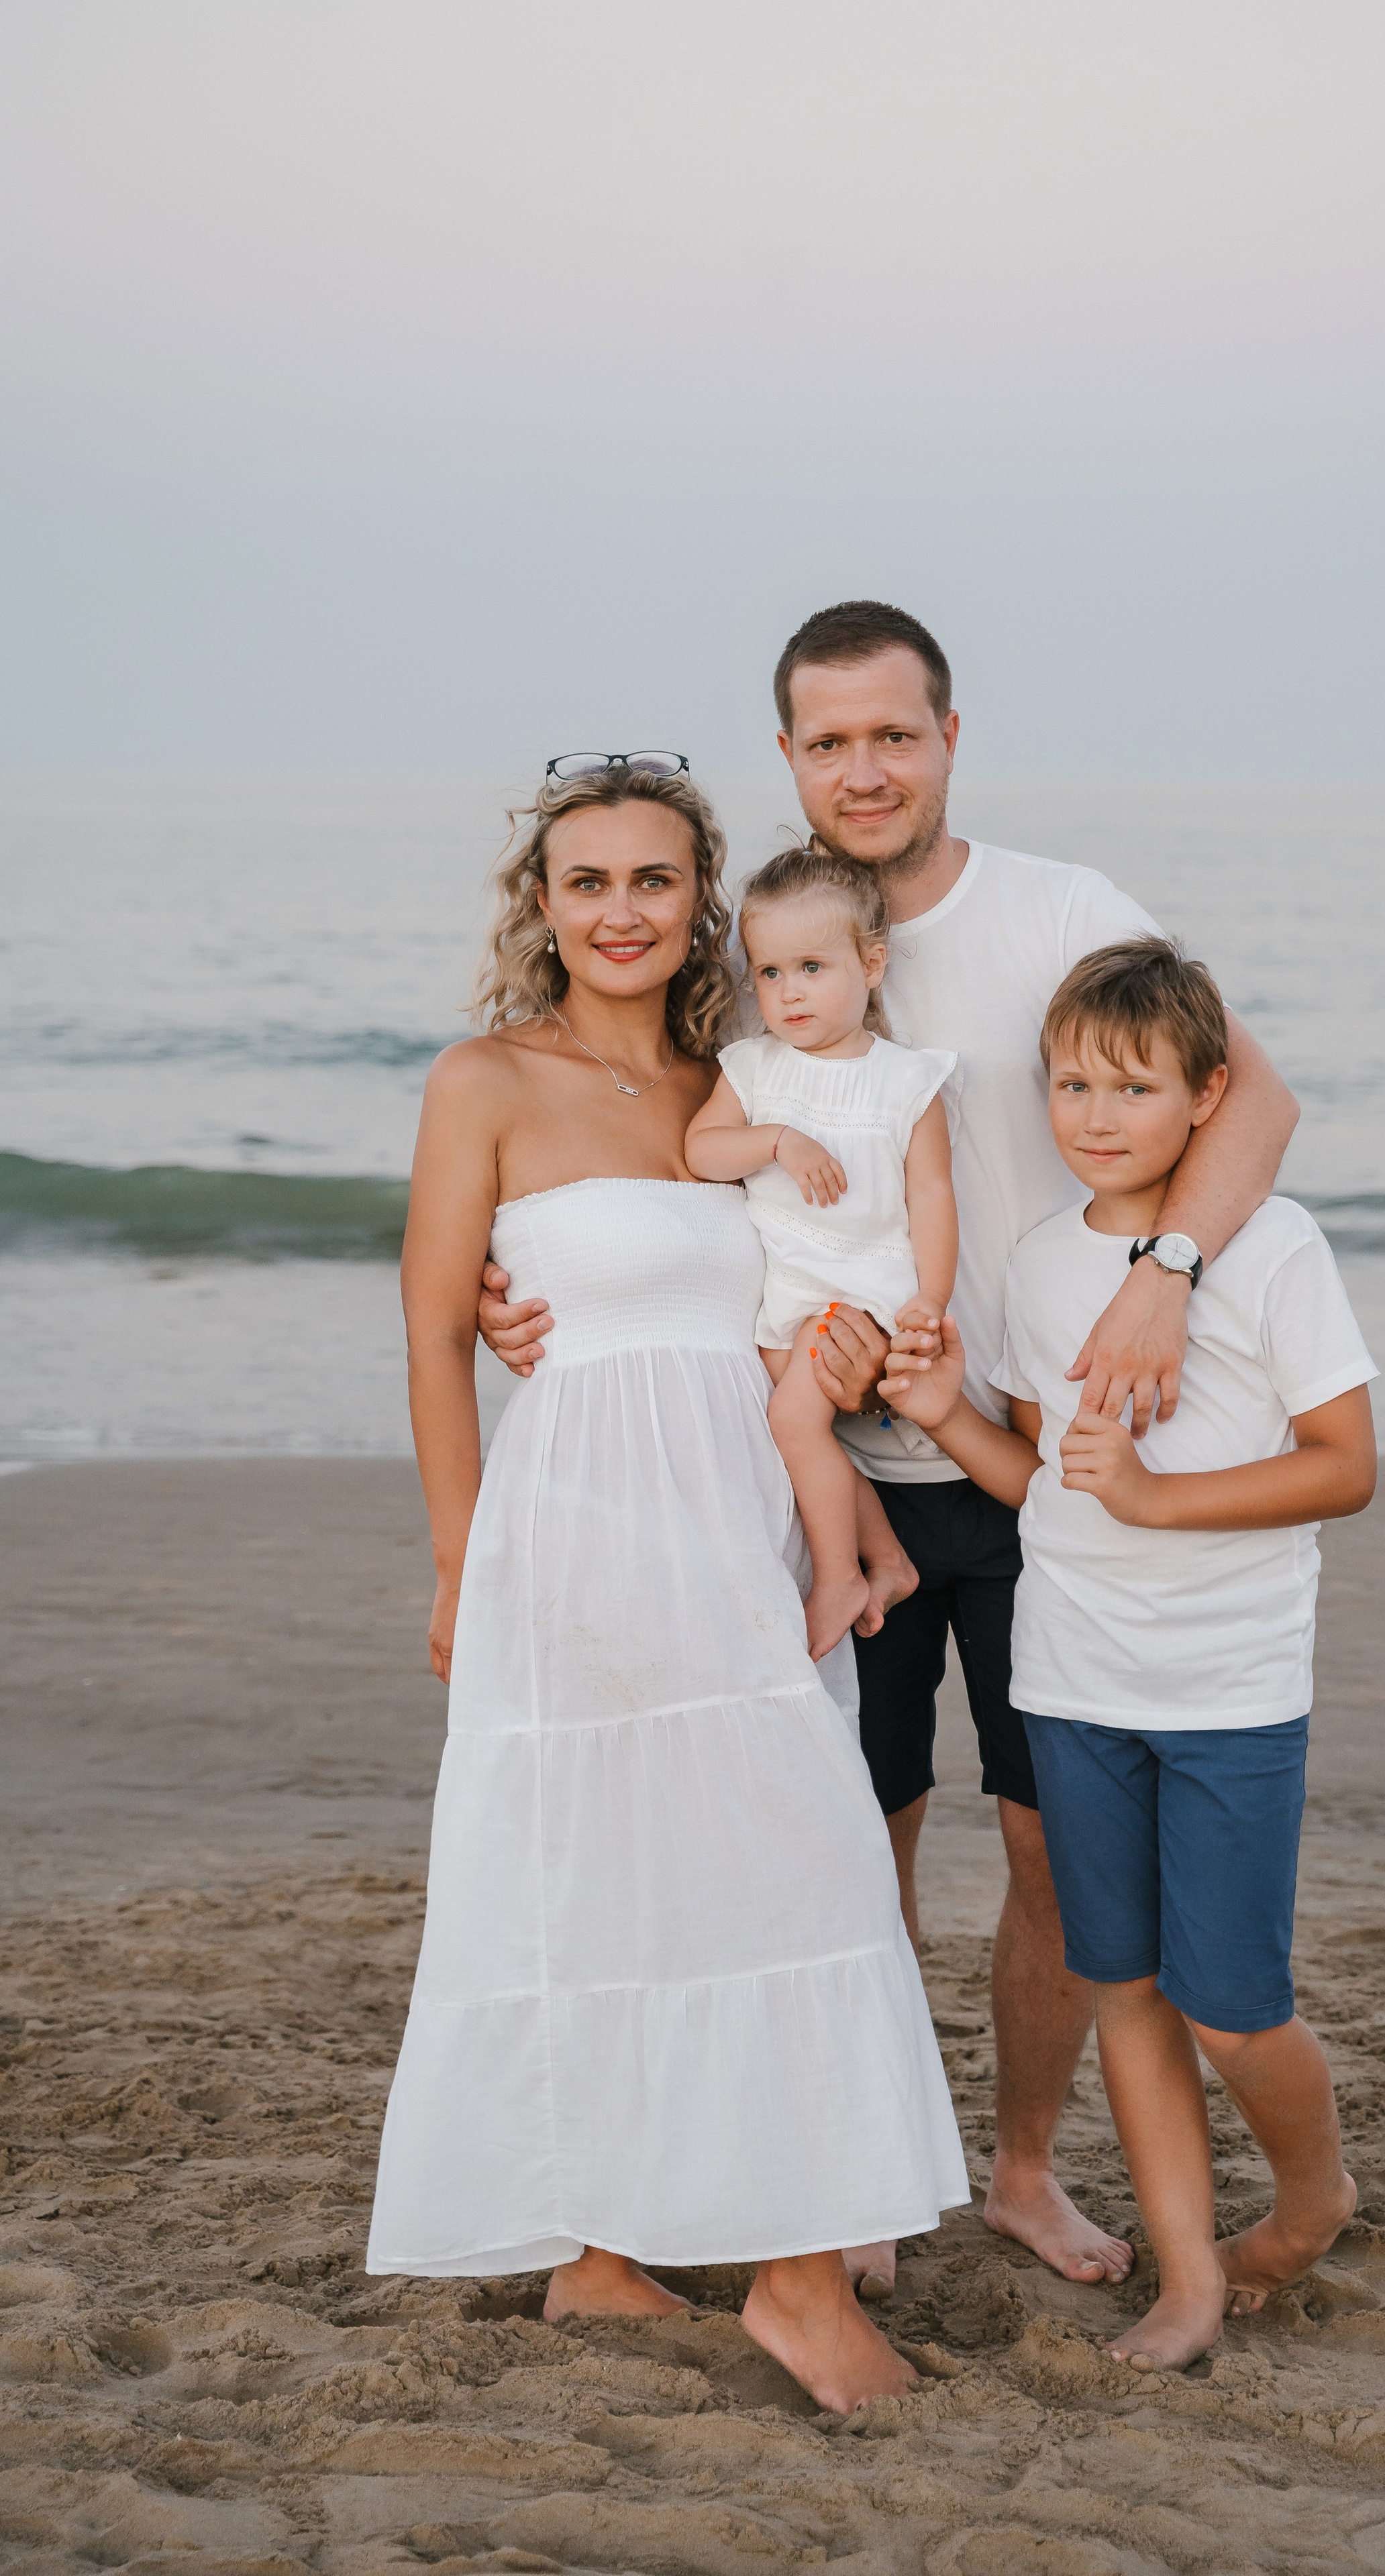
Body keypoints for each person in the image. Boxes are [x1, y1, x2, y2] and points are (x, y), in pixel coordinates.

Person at [478, 601, 1300, 2298]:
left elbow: (1254, 1102)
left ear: (946, 737)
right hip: (812, 1472)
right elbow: (640, 1138)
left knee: (1044, 1848)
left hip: (1022, 1466)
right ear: (787, 757)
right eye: (829, 742)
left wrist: (1163, 1276)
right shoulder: (752, 949)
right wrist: (526, 1285)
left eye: (893, 735)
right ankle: (848, 2175)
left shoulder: (1061, 913)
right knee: (845, 1834)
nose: (864, 770)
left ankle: (1017, 2171)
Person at [365, 757, 968, 2414]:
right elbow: (432, 1330)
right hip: (583, 1522)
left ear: (698, 899)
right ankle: (741, 2276)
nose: (619, 911)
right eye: (587, 881)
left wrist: (860, 1431)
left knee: (724, 1863)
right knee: (678, 1864)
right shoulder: (486, 1079)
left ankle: (643, 2256)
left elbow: (796, 1302)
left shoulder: (740, 1080)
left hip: (742, 1513)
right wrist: (459, 1562)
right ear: (542, 903)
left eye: (651, 879)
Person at [880, 936, 1376, 2368]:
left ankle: (1310, 2197)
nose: (1094, 1117)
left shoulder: (1272, 1248)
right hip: (1072, 1685)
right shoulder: (1042, 1265)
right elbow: (1045, 1479)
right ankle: (1188, 2278)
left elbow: (1343, 1466)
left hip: (1227, 1694)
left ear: (1208, 1096)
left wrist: (1158, 1500)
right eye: (1070, 1085)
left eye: (1133, 1088)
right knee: (1125, 1991)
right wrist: (943, 1412)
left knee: (1233, 2008)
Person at [685, 845, 958, 1662]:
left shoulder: (904, 1081)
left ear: (870, 965)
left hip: (857, 1289)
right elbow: (702, 1150)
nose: (789, 992)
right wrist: (775, 1139)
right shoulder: (753, 1069)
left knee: (793, 1421)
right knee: (804, 1429)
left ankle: (839, 1576)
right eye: (770, 973)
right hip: (787, 1292)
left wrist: (930, 1300)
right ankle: (889, 1558)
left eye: (812, 967)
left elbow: (931, 1196)